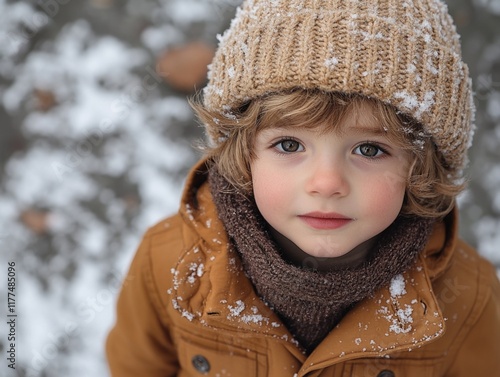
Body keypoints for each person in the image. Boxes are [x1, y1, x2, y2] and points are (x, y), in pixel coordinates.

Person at [106, 0, 500, 375]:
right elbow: (137, 365)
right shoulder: (169, 262)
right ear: (243, 155)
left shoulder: (468, 296)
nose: (326, 183)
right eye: (290, 145)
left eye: (369, 149)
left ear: (420, 168)